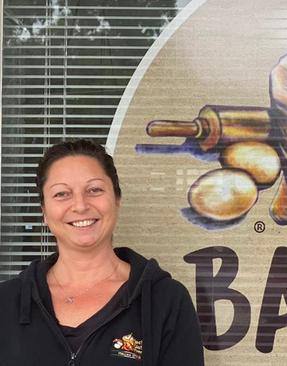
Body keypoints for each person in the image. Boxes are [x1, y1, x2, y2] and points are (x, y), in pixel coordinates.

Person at [0, 139, 204, 366]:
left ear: (117, 200)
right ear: (44, 212)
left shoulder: (166, 301)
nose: (80, 205)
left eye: (94, 190)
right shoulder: (7, 302)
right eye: (61, 194)